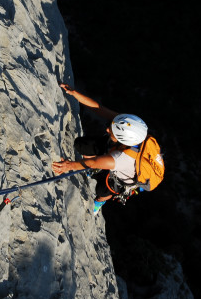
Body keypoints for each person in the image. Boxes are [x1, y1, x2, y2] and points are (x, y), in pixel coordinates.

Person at [52, 83, 149, 214]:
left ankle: (99, 201)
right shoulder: (129, 128)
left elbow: (93, 162)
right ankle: (93, 171)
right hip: (113, 147)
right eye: (111, 126)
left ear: (123, 139)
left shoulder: (122, 159)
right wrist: (75, 93)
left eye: (112, 131)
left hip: (122, 177)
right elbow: (98, 108)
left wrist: (68, 166)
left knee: (103, 190)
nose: (107, 129)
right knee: (82, 145)